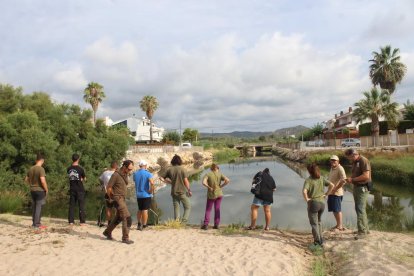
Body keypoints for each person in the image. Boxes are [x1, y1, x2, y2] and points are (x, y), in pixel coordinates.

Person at [103, 160, 135, 244]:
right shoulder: (116, 175)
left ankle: (107, 232)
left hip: (122, 199)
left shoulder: (124, 174)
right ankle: (125, 238)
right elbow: (109, 187)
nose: (130, 171)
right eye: (129, 169)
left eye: (131, 169)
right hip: (117, 199)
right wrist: (111, 198)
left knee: (119, 218)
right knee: (127, 218)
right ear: (124, 166)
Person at [302, 163, 334, 247]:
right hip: (322, 203)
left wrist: (307, 200)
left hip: (313, 203)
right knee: (319, 221)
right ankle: (321, 238)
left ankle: (317, 242)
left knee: (314, 223)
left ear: (309, 171)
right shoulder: (321, 178)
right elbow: (332, 185)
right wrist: (326, 194)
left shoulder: (309, 180)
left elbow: (304, 191)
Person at [344, 148, 371, 239]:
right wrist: (350, 179)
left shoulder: (363, 160)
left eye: (350, 158)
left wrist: (353, 180)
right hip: (357, 187)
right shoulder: (355, 162)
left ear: (354, 155)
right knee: (360, 208)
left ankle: (362, 232)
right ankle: (364, 229)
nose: (350, 159)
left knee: (360, 209)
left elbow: (366, 176)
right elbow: (355, 174)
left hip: (362, 188)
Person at [160, 155, 192, 225]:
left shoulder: (169, 169)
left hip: (174, 192)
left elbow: (161, 178)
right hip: (182, 191)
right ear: (180, 161)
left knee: (176, 208)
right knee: (188, 207)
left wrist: (170, 182)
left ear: (173, 161)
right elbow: (186, 181)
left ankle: (176, 223)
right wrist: (189, 190)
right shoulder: (182, 169)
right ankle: (183, 222)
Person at [200, 163, 230, 230]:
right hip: (219, 194)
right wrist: (221, 186)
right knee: (217, 209)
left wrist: (209, 187)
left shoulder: (208, 174)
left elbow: (203, 182)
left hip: (211, 195)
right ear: (217, 168)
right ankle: (216, 225)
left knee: (208, 210)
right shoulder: (220, 174)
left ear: (211, 168)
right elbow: (228, 180)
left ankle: (205, 225)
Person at [25, 153, 49, 229]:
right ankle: (37, 224)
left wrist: (31, 184)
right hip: (40, 190)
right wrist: (46, 189)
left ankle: (34, 224)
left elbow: (26, 180)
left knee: (34, 207)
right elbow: (42, 180)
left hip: (32, 190)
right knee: (39, 207)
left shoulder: (31, 168)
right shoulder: (41, 169)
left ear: (36, 160)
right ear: (42, 160)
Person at [133, 160, 155, 230]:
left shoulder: (135, 174)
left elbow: (135, 181)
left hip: (138, 194)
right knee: (145, 210)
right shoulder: (148, 173)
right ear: (145, 165)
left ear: (139, 166)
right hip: (146, 194)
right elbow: (152, 183)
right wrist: (151, 191)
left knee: (140, 209)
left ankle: (139, 224)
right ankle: (144, 225)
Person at [327, 155, 347, 231]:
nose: (333, 162)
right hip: (331, 192)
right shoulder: (332, 168)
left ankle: (340, 226)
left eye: (334, 160)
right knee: (334, 209)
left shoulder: (340, 168)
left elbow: (344, 180)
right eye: (331, 160)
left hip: (337, 193)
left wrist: (335, 188)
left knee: (337, 209)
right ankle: (338, 224)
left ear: (338, 161)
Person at [67, 153, 86, 225]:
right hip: (80, 189)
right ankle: (82, 221)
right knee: (81, 205)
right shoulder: (80, 169)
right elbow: (84, 178)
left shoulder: (69, 168)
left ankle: (71, 221)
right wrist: (81, 179)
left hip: (72, 188)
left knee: (71, 205)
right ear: (78, 159)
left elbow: (70, 177)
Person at [99, 161, 119, 225]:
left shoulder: (105, 173)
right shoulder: (117, 173)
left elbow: (100, 179)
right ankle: (115, 222)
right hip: (116, 193)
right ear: (116, 167)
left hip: (107, 192)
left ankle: (109, 222)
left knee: (108, 208)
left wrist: (103, 185)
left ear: (111, 166)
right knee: (117, 208)